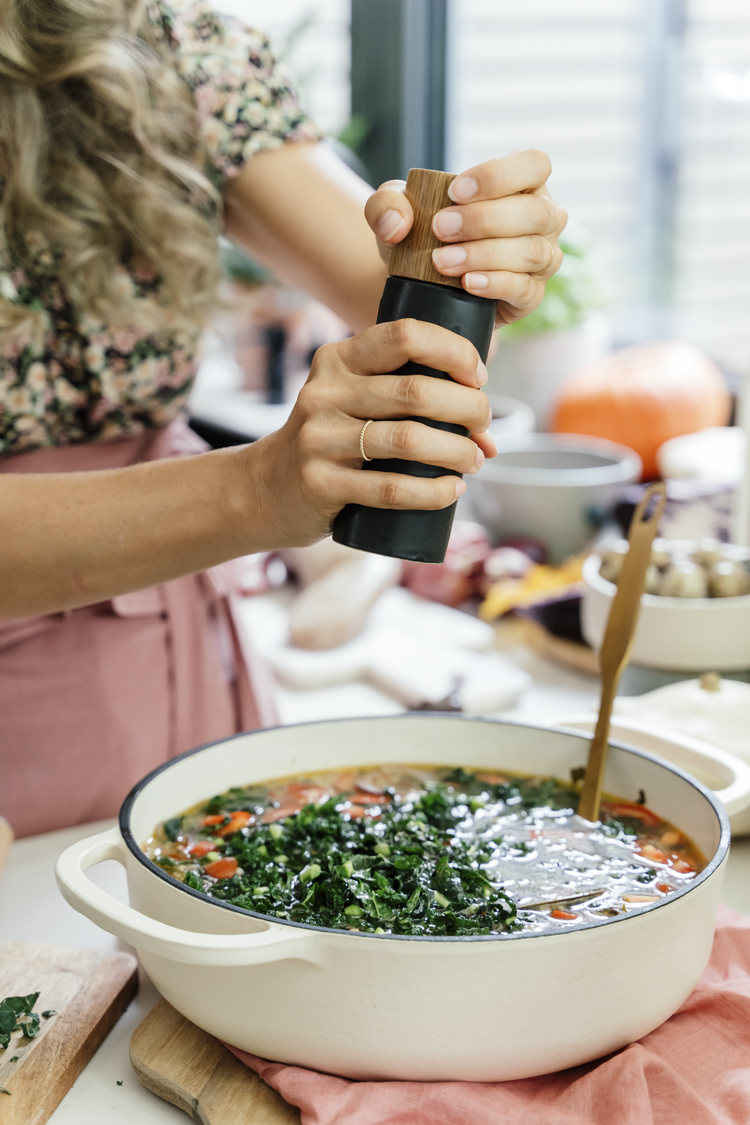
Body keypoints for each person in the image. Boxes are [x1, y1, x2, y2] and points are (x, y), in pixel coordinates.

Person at [0, 0, 566, 836]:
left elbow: (391, 277)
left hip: (177, 656)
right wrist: (256, 490)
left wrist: (475, 257)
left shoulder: (177, 48)